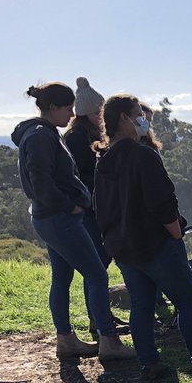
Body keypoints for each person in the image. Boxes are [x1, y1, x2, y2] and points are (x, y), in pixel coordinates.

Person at [92, 94, 192, 379]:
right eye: (138, 114)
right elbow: (163, 200)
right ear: (124, 119)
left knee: (141, 304)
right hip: (155, 244)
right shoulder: (143, 155)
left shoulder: (103, 161)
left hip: (124, 247)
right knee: (188, 301)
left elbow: (101, 207)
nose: (143, 120)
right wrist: (175, 230)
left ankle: (149, 364)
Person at [12, 81, 134, 362]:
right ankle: (108, 339)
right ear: (52, 108)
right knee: (97, 275)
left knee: (63, 277)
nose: (70, 114)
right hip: (59, 218)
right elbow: (41, 182)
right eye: (67, 109)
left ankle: (66, 339)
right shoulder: (42, 136)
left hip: (51, 218)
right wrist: (72, 206)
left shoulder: (42, 133)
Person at [63, 77, 124, 338]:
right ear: (87, 113)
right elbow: (84, 174)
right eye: (97, 112)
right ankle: (96, 321)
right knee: (96, 266)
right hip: (90, 210)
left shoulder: (92, 134)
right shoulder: (76, 138)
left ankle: (101, 316)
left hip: (101, 206)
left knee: (101, 263)